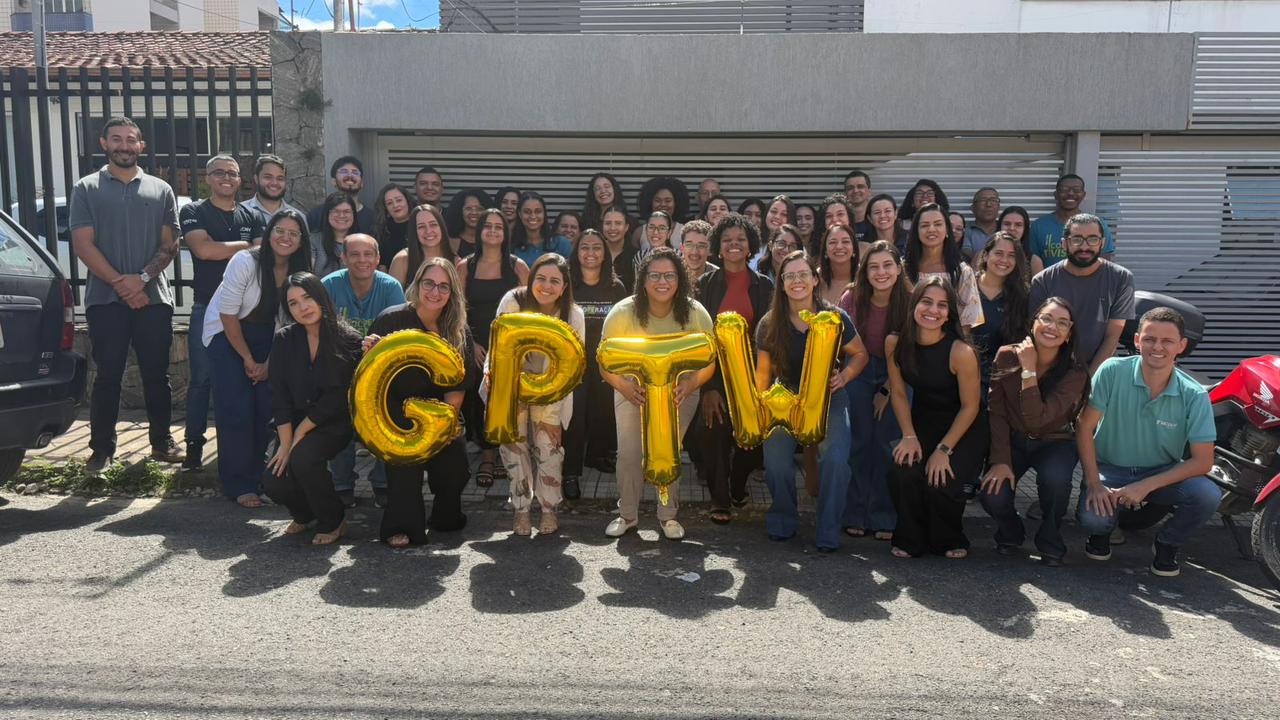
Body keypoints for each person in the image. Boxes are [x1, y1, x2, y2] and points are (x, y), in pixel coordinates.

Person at [69, 117, 184, 476]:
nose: (124, 145)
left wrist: (143, 278)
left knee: (156, 373)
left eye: (130, 139)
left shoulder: (161, 189)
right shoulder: (86, 188)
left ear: (141, 146)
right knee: (107, 375)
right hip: (106, 300)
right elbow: (82, 244)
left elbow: (170, 245)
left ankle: (162, 442)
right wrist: (122, 282)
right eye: (116, 139)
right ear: (104, 143)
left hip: (154, 299)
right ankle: (101, 450)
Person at [1075, 307, 1219, 577]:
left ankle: (1168, 543)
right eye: (1150, 339)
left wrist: (1145, 485)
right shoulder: (1111, 371)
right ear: (1137, 340)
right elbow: (1084, 426)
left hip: (1161, 473)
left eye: (1167, 341)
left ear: (1182, 346)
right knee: (1094, 519)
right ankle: (1101, 533)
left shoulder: (1194, 394)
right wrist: (1093, 483)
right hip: (1110, 468)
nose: (1158, 347)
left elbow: (1203, 461)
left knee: (1207, 495)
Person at [601, 248, 716, 541]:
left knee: (669, 449)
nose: (661, 281)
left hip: (679, 390)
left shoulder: (694, 312)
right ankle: (627, 514)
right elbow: (603, 361)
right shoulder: (623, 313)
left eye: (669, 275)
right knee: (629, 453)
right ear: (642, 279)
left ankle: (668, 516)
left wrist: (690, 386)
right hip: (632, 389)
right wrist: (625, 387)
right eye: (654, 275)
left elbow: (710, 362)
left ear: (680, 279)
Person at [757, 251, 868, 551]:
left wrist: (844, 377)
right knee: (775, 461)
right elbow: (762, 375)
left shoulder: (835, 317)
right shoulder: (770, 323)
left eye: (803, 274)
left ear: (815, 279)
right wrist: (759, 411)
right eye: (789, 276)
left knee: (835, 460)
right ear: (781, 284)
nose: (797, 281)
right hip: (786, 396)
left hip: (829, 396)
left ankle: (828, 529)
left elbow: (860, 354)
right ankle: (783, 519)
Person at [203, 209, 312, 507]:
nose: (285, 238)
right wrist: (249, 360)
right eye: (279, 230)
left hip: (271, 341)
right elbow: (227, 313)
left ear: (301, 241)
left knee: (265, 410)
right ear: (268, 232)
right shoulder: (245, 261)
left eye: (293, 233)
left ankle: (259, 477)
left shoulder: (298, 271)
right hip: (229, 336)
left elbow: (290, 325)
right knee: (236, 409)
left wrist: (268, 364)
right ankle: (238, 484)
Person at [365, 258, 477, 546]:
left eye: (444, 286)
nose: (435, 292)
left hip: (439, 412)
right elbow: (369, 375)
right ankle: (401, 526)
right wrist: (369, 350)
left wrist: (448, 421)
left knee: (456, 468)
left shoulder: (458, 330)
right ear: (417, 284)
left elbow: (458, 386)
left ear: (452, 292)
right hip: (396, 414)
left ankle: (445, 517)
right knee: (405, 467)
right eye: (429, 283)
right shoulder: (391, 320)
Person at [981, 297, 1090, 566]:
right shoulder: (1007, 355)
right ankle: (1011, 532)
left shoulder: (1075, 372)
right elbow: (996, 411)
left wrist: (1028, 370)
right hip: (1014, 440)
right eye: (1047, 319)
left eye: (1062, 323)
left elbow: (1038, 420)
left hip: (1055, 441)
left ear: (1069, 333)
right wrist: (1001, 460)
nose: (1053, 327)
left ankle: (1050, 538)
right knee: (993, 493)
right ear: (1034, 323)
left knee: (1056, 481)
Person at [886, 277, 987, 559]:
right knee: (903, 469)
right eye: (927, 301)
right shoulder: (895, 342)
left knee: (941, 477)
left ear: (949, 313)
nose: (933, 310)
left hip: (965, 425)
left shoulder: (961, 352)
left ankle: (947, 537)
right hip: (924, 419)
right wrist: (908, 436)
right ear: (914, 304)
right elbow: (898, 392)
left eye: (942, 305)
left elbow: (971, 407)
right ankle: (910, 537)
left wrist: (943, 450)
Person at [487, 254, 585, 535]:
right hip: (512, 387)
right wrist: (491, 377)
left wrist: (559, 413)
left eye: (555, 281)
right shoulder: (512, 302)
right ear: (531, 280)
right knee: (513, 448)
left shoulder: (573, 315)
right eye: (540, 278)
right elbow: (497, 347)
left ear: (565, 287)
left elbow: (575, 367)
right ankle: (520, 509)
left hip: (551, 392)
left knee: (548, 448)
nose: (546, 286)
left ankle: (548, 509)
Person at [179, 154, 264, 472]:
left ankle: (246, 451)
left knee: (248, 379)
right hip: (207, 309)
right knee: (202, 381)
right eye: (219, 173)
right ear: (208, 178)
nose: (226, 178)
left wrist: (226, 247)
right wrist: (245, 248)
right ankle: (193, 448)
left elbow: (262, 254)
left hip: (246, 312)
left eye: (232, 173)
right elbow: (203, 250)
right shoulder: (193, 211)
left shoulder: (251, 215)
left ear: (241, 180)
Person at [264, 272, 362, 545]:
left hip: (332, 422)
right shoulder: (284, 339)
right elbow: (279, 394)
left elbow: (338, 398)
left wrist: (298, 437)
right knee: (274, 480)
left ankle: (333, 520)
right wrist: (285, 442)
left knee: (303, 459)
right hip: (292, 422)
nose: (302, 307)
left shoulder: (348, 339)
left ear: (320, 297)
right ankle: (306, 515)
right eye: (293, 303)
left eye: (307, 298)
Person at [696, 213, 773, 524]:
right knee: (713, 431)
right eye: (727, 240)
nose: (734, 245)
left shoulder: (765, 285)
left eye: (740, 239)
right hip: (715, 374)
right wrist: (709, 387)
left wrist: (761, 385)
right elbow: (701, 337)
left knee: (751, 437)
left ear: (751, 244)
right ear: (718, 245)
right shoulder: (705, 284)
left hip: (755, 375)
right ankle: (720, 499)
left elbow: (770, 337)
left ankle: (738, 483)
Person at [321, 234, 404, 507]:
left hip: (379, 368)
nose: (362, 260)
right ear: (343, 258)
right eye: (354, 254)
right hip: (340, 367)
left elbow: (397, 333)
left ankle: (382, 483)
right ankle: (342, 484)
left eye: (368, 254)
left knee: (385, 418)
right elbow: (322, 331)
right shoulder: (328, 286)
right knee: (341, 420)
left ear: (378, 259)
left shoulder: (391, 287)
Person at [839, 241, 911, 541]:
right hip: (858, 368)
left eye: (887, 265)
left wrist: (886, 389)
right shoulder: (852, 297)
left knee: (886, 444)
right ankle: (855, 513)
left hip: (897, 372)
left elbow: (909, 351)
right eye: (874, 266)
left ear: (898, 269)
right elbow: (842, 345)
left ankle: (883, 514)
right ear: (865, 271)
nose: (881, 272)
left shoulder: (910, 298)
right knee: (858, 442)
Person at [457, 209, 531, 487]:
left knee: (509, 399)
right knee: (480, 401)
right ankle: (488, 457)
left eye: (498, 227)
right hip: (476, 346)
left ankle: (506, 454)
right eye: (487, 226)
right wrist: (472, 343)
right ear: (479, 231)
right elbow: (458, 310)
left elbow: (530, 310)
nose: (492, 231)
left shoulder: (517, 266)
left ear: (505, 232)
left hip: (510, 346)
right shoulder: (466, 266)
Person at [563, 230, 627, 498]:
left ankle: (597, 456)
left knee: (604, 409)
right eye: (584, 248)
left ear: (605, 253)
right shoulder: (567, 284)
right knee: (575, 414)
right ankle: (570, 471)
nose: (591, 253)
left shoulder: (616, 287)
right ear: (576, 253)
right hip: (572, 362)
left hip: (604, 360)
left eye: (597, 248)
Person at [1028, 213, 1135, 373]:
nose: (1084, 247)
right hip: (1052, 372)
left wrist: (1090, 381)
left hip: (1098, 370)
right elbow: (1038, 335)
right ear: (1064, 244)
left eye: (1092, 239)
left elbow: (1112, 336)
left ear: (1102, 243)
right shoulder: (1043, 280)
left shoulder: (1121, 278)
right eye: (1077, 239)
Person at [904, 203, 984, 330]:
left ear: (947, 230)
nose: (931, 229)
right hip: (907, 341)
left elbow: (967, 322)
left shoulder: (962, 272)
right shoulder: (903, 269)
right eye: (924, 225)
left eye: (938, 224)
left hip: (949, 344)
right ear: (916, 231)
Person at [971, 231, 1030, 392]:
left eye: (1011, 255)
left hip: (1001, 378)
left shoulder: (1021, 296)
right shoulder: (966, 287)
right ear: (985, 255)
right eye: (998, 253)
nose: (1004, 260)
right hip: (964, 371)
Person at [1028, 174, 1116, 270]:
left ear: (1083, 195)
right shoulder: (1039, 226)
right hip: (1050, 284)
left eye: (1076, 190)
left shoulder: (1098, 225)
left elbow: (1104, 264)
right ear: (1056, 194)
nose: (1070, 193)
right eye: (1064, 189)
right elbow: (1033, 264)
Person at [389, 203, 455, 288]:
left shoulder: (456, 261)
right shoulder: (402, 259)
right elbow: (392, 298)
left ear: (442, 227)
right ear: (414, 231)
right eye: (421, 227)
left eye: (433, 225)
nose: (428, 231)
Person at [306, 155, 373, 233]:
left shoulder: (372, 218)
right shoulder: (316, 215)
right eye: (344, 171)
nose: (350, 175)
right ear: (334, 181)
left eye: (355, 172)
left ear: (361, 183)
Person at [240, 154, 304, 229]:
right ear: (256, 179)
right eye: (268, 177)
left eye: (280, 178)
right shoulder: (240, 213)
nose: (274, 183)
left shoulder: (298, 217)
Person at [512, 191, 572, 267]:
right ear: (520, 214)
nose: (533, 216)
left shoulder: (561, 244)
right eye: (527, 212)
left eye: (538, 211)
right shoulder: (512, 247)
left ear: (544, 213)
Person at [633, 176, 688, 246]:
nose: (663, 204)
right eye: (657, 200)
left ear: (676, 203)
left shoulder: (684, 232)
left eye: (668, 200)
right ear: (650, 202)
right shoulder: (639, 233)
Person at [313, 192, 356, 276]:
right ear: (327, 214)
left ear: (353, 214)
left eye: (346, 211)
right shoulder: (314, 240)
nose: (341, 215)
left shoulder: (362, 241)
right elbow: (307, 277)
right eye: (336, 211)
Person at [371, 183, 413, 267]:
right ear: (385, 207)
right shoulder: (381, 230)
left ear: (407, 201)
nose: (395, 205)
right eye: (390, 203)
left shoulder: (419, 222)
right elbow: (381, 264)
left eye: (399, 200)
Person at [818, 223, 858, 307]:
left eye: (845, 241)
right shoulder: (815, 279)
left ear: (854, 248)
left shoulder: (866, 276)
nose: (839, 246)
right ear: (825, 250)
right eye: (833, 242)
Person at [443, 188, 491, 258]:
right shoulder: (451, 242)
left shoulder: (492, 239)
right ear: (459, 211)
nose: (474, 213)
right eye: (468, 208)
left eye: (480, 209)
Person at [600, 205, 638, 291]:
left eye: (618, 223)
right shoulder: (595, 253)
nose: (612, 228)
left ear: (626, 227)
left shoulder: (636, 256)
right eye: (608, 223)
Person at [633, 210, 675, 274]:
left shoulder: (678, 256)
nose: (655, 232)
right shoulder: (640, 256)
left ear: (669, 233)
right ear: (646, 230)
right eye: (651, 227)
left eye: (662, 228)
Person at [678, 218, 718, 283]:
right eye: (689, 245)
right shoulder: (670, 273)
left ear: (710, 250)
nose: (694, 252)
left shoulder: (718, 278)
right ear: (681, 248)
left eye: (701, 246)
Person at [964, 187, 1001, 256]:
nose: (988, 204)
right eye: (983, 200)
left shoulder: (1006, 229)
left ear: (999, 207)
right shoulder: (964, 230)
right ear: (973, 208)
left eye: (993, 200)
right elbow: (966, 257)